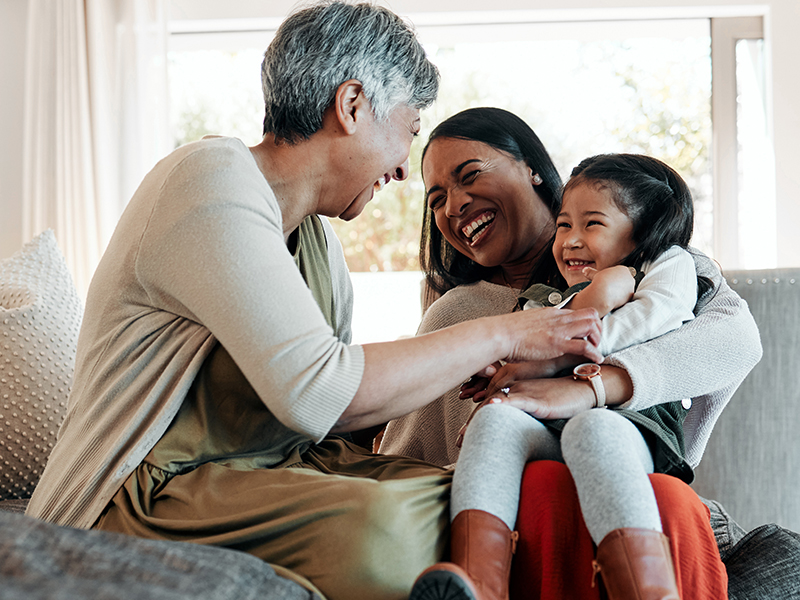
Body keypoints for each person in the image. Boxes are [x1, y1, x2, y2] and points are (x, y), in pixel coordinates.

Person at [24, 5, 605, 600]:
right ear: (352, 105)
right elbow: (318, 394)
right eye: (408, 130)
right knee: (393, 531)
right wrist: (504, 335)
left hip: (263, 476)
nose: (405, 167)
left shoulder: (316, 240)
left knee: (480, 496)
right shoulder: (208, 177)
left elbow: (335, 416)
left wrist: (461, 374)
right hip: (140, 491)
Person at [379, 107, 761, 599]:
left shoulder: (650, 261)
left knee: (776, 553)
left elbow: (737, 340)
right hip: (524, 495)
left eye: (470, 174)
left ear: (533, 168)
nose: (453, 205)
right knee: (503, 435)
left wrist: (586, 386)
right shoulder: (459, 313)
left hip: (631, 461)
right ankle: (478, 582)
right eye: (436, 199)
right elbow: (407, 456)